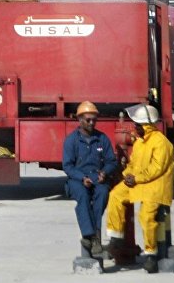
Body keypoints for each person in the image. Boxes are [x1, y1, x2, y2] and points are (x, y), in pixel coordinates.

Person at [105, 103, 174, 273]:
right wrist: (127, 175)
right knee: (115, 194)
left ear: (148, 125)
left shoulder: (161, 142)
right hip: (139, 182)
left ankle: (151, 254)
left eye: (138, 124)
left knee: (146, 216)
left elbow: (156, 169)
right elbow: (133, 164)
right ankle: (116, 238)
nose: (134, 127)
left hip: (155, 185)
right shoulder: (139, 142)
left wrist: (135, 178)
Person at [63, 101, 118, 256]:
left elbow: (111, 161)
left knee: (102, 194)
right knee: (83, 197)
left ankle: (88, 237)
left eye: (94, 119)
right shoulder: (71, 140)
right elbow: (67, 166)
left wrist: (105, 173)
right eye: (88, 120)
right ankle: (93, 237)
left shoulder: (102, 139)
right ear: (80, 120)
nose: (92, 122)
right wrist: (82, 178)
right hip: (77, 180)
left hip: (98, 178)